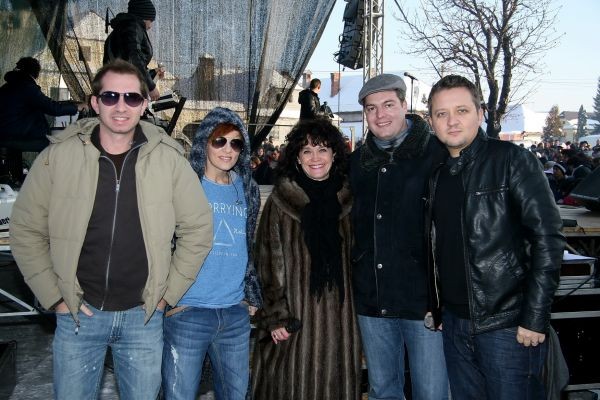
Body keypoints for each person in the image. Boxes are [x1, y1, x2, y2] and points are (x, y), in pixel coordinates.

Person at [9, 59, 213, 399]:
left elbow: (198, 229)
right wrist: (55, 296)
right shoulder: (58, 156)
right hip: (78, 315)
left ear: (145, 105)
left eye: (132, 97)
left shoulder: (169, 159)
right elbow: (25, 229)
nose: (121, 106)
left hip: (143, 318)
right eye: (110, 96)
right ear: (95, 102)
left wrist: (166, 295)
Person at [426, 74, 565, 399]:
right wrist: (438, 306)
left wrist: (534, 316)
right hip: (455, 325)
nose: (452, 121)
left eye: (461, 110)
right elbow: (439, 247)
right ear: (431, 122)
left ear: (480, 113)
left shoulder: (512, 160)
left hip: (507, 326)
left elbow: (548, 239)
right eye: (442, 113)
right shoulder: (437, 174)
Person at [349, 73, 448, 400]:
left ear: (405, 106)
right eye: (372, 108)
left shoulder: (436, 154)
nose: (380, 115)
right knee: (383, 391)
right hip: (373, 299)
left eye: (389, 105)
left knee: (432, 392)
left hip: (424, 302)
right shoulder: (357, 163)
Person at [252, 118, 361, 400]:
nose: (315, 158)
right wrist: (276, 317)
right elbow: (266, 263)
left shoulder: (349, 200)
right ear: (297, 158)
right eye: (307, 151)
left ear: (334, 154)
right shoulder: (282, 201)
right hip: (296, 320)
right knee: (292, 386)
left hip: (341, 322)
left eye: (322, 149)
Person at [161, 107, 262, 400]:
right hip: (188, 311)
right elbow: (163, 242)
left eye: (236, 143)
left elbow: (248, 245)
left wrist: (250, 294)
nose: (228, 149)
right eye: (219, 141)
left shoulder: (247, 189)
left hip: (234, 312)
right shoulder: (184, 185)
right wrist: (167, 298)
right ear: (205, 141)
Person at [0, 57, 87, 183]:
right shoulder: (27, 87)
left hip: (5, 134)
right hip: (14, 136)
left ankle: (17, 178)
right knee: (50, 143)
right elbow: (53, 108)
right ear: (35, 72)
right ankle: (47, 180)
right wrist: (77, 107)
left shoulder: (7, 87)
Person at [104, 0, 162, 101]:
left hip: (116, 87)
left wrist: (153, 72)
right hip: (122, 92)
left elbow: (129, 65)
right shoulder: (133, 27)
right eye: (151, 20)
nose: (150, 26)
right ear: (144, 16)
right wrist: (151, 86)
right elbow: (133, 58)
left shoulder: (122, 29)